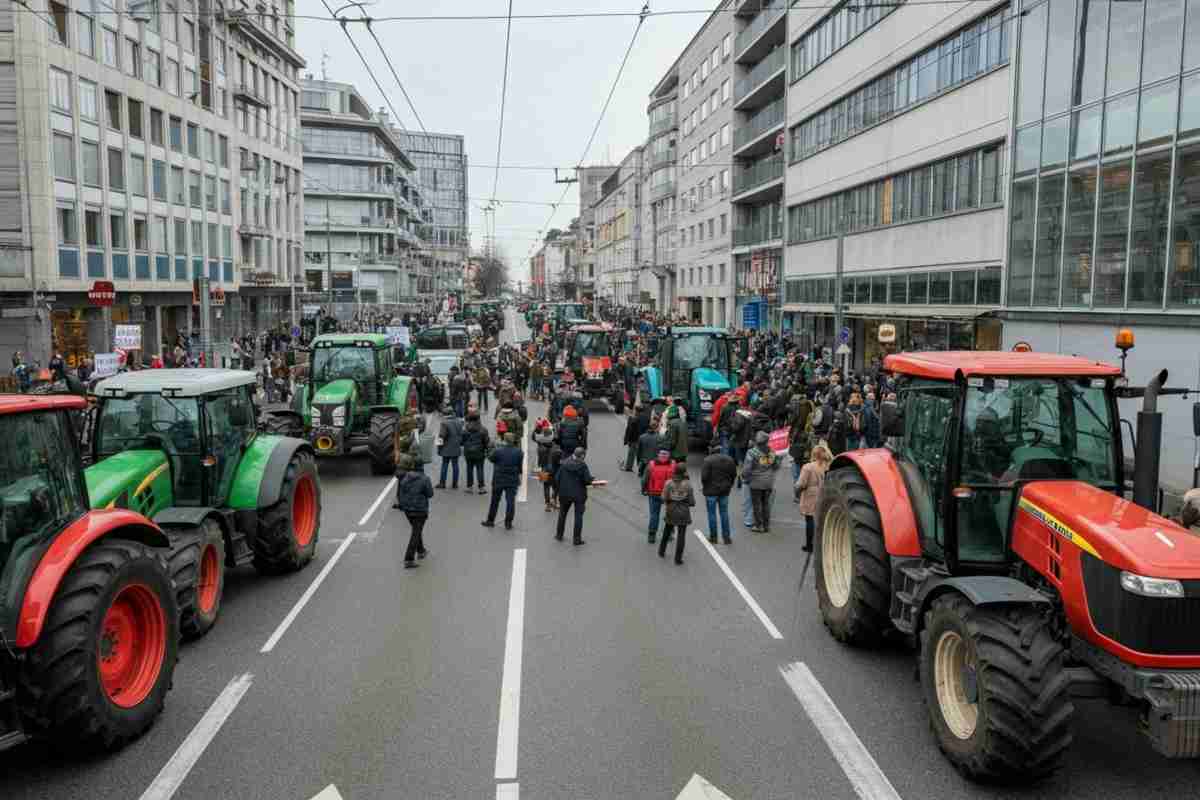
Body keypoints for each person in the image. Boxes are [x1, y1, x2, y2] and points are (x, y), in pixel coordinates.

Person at [393, 454, 433, 569]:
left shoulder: (405, 477)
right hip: (420, 510)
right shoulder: (425, 479)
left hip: (408, 510)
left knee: (416, 530)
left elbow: (402, 491)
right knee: (416, 532)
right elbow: (430, 494)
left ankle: (421, 551)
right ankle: (409, 558)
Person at [795, 443, 833, 552]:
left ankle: (809, 545)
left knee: (810, 520)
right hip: (825, 492)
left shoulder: (808, 467)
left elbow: (801, 484)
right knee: (823, 520)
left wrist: (797, 491)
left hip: (811, 494)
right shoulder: (829, 466)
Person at [554, 447, 595, 545]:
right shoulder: (582, 465)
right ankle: (576, 539)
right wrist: (591, 479)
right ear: (581, 456)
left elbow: (557, 478)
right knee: (578, 516)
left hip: (565, 494)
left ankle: (559, 535)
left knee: (562, 514)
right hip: (579, 495)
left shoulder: (564, 463)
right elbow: (587, 480)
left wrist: (558, 491)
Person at [482, 433, 523, 530]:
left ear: (504, 440)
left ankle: (490, 520)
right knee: (510, 501)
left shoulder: (498, 451)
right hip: (512, 479)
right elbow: (519, 467)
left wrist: (490, 450)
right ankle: (508, 523)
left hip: (499, 478)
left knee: (495, 501)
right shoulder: (519, 452)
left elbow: (491, 459)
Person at [744, 431, 782, 533]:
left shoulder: (751, 453)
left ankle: (758, 525)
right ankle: (766, 526)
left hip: (756, 482)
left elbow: (747, 469)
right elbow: (776, 466)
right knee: (766, 504)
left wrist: (745, 478)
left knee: (757, 504)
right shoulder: (772, 452)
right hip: (769, 482)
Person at [700, 443, 737, 545]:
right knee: (724, 513)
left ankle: (713, 537)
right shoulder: (729, 459)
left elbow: (704, 477)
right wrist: (729, 485)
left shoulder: (708, 460)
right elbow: (734, 475)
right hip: (724, 491)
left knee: (712, 514)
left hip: (711, 492)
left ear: (711, 448)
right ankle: (726, 537)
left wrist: (705, 486)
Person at [659, 462, 695, 565]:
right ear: (684, 472)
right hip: (683, 512)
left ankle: (661, 551)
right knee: (681, 535)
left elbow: (663, 498)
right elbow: (692, 502)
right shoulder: (688, 485)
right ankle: (678, 559)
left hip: (671, 510)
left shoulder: (669, 483)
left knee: (667, 531)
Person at [641, 448, 675, 544]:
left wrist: (643, 489)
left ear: (658, 455)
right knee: (669, 514)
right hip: (669, 494)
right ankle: (669, 534)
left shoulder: (651, 465)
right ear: (669, 455)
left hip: (654, 493)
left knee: (654, 514)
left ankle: (652, 535)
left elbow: (645, 479)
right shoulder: (673, 465)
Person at [461, 409, 491, 494]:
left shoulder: (465, 429)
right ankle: (481, 488)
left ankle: (469, 487)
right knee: (480, 469)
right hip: (479, 452)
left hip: (468, 452)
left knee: (469, 469)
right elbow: (486, 441)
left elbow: (461, 442)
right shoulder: (483, 429)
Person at [436, 411, 464, 490]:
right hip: (456, 447)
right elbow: (462, 434)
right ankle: (455, 484)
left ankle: (442, 483)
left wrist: (438, 446)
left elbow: (441, 436)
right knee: (455, 465)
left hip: (446, 447)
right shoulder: (459, 422)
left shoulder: (444, 423)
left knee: (445, 464)